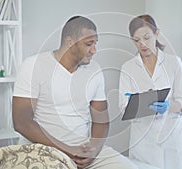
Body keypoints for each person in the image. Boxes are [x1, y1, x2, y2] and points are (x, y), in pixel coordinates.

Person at [13, 16, 137, 169]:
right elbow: (21, 122)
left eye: (95, 43)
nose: (94, 50)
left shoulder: (95, 70)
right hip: (42, 149)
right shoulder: (33, 66)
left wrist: (94, 149)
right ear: (70, 42)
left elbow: (101, 120)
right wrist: (67, 150)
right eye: (88, 44)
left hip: (81, 149)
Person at [119, 14, 182, 169]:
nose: (142, 44)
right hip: (143, 141)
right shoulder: (128, 67)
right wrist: (136, 104)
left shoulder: (174, 62)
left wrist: (168, 106)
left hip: (172, 136)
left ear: (156, 33)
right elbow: (123, 107)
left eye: (146, 37)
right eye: (136, 40)